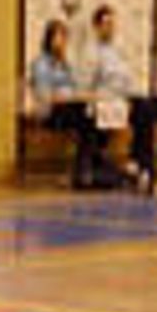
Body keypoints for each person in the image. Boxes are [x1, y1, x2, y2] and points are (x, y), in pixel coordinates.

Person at [85, 4, 157, 181]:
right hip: (112, 100)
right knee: (144, 111)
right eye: (106, 24)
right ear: (97, 27)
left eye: (112, 24)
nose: (110, 28)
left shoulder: (119, 49)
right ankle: (140, 162)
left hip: (133, 94)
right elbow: (90, 85)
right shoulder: (91, 52)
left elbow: (130, 76)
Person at [28, 19, 107, 188]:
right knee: (87, 122)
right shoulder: (41, 64)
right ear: (49, 39)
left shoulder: (65, 64)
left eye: (64, 38)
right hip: (51, 112)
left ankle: (89, 168)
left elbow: (75, 87)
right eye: (58, 37)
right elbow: (45, 95)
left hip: (71, 109)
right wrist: (69, 98)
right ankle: (85, 170)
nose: (62, 42)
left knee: (94, 119)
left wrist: (84, 95)